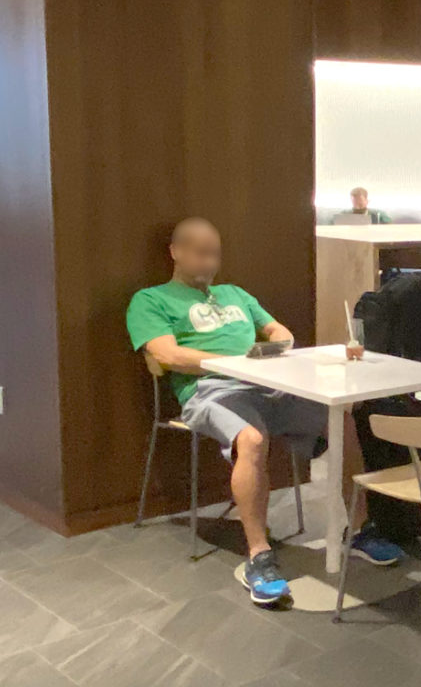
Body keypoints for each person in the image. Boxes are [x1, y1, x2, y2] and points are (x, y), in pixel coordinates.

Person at [128, 218, 405, 608]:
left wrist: (276, 344)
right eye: (200, 253)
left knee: (340, 417)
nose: (209, 262)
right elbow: (168, 355)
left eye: (214, 254)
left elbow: (280, 332)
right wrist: (234, 363)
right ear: (176, 252)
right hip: (209, 391)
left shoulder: (234, 294)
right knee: (252, 439)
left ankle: (359, 529)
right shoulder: (151, 299)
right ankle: (259, 555)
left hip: (268, 385)